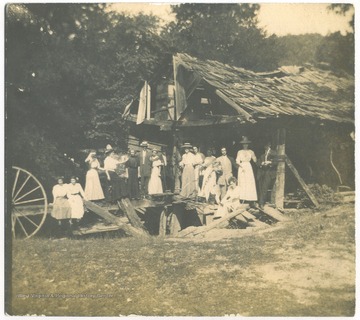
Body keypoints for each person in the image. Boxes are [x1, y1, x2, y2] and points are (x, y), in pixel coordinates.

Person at [236, 136, 257, 204]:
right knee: (242, 182)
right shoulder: (239, 152)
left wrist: (255, 158)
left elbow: (255, 160)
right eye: (244, 144)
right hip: (242, 167)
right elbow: (237, 161)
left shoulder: (251, 151)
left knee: (249, 182)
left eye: (246, 144)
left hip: (248, 167)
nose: (245, 145)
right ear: (242, 145)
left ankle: (250, 198)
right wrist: (241, 166)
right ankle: (242, 198)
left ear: (248, 144)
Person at [257, 142, 277, 209]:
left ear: (269, 145)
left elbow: (277, 161)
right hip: (263, 172)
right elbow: (258, 162)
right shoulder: (262, 154)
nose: (265, 146)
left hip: (270, 172)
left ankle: (261, 203)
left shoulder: (274, 153)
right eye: (265, 145)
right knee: (261, 187)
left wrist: (270, 162)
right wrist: (261, 163)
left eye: (267, 145)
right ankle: (261, 201)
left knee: (265, 187)